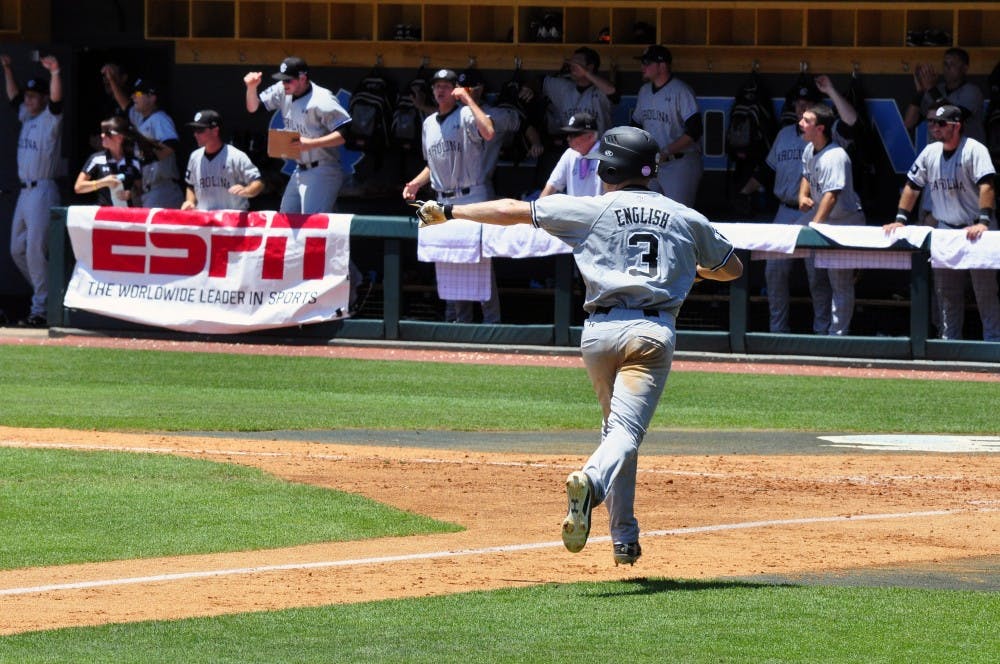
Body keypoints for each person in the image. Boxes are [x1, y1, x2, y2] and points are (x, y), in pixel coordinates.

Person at [411, 126, 743, 565]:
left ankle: (624, 536)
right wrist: (689, 272)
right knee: (625, 433)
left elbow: (515, 210)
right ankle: (591, 481)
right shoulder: (685, 216)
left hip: (598, 334)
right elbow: (732, 268)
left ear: (608, 167)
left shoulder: (592, 209)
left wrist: (450, 212)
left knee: (615, 432)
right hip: (651, 334)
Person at [742, 76, 859, 334]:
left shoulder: (832, 140)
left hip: (829, 215)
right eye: (797, 104)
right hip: (789, 209)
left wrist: (830, 89)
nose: (799, 110)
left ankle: (824, 333)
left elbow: (851, 122)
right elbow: (773, 170)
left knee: (819, 277)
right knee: (774, 269)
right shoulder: (788, 136)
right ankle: (778, 331)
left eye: (806, 106)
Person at [884, 104, 998, 341]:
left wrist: (984, 221)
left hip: (976, 228)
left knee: (985, 293)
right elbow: (912, 186)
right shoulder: (929, 152)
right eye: (933, 123)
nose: (935, 127)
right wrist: (900, 219)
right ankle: (949, 340)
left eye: (941, 123)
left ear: (957, 126)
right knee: (946, 293)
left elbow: (987, 185)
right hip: (946, 229)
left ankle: (993, 342)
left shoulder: (974, 149)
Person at [401, 68, 499, 324]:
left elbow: (489, 131)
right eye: (437, 86)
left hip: (472, 194)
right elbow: (433, 163)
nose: (441, 89)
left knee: (479, 264)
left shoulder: (466, 113)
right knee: (447, 262)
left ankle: (492, 323)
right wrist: (415, 182)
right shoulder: (428, 123)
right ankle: (458, 322)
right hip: (441, 199)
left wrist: (468, 100)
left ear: (456, 89)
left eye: (446, 85)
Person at [243, 56, 352, 214]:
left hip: (323, 169)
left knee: (312, 227)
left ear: (302, 78)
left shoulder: (322, 99)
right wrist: (251, 88)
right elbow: (254, 108)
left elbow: (345, 132)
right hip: (300, 169)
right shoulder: (282, 89)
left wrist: (312, 143)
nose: (284, 84)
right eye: (282, 80)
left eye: (288, 80)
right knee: (285, 221)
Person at [2, 53, 62, 328]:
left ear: (43, 99)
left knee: (36, 251)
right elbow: (13, 97)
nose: (28, 100)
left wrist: (55, 73)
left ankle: (41, 309)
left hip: (42, 188)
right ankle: (49, 295)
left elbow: (58, 101)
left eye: (34, 96)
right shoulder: (26, 115)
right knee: (17, 250)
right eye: (29, 95)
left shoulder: (50, 118)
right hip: (25, 193)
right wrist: (7, 68)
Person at [799, 103, 866, 336]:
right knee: (817, 281)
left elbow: (831, 196)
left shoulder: (836, 155)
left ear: (820, 128)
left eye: (806, 120)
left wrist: (814, 226)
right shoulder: (810, 149)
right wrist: (802, 195)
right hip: (823, 220)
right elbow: (807, 174)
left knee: (840, 283)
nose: (801, 123)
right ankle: (820, 332)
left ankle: (838, 336)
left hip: (845, 222)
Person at [630, 45, 703, 207]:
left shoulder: (681, 91)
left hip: (680, 163)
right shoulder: (644, 91)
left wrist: (666, 151)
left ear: (662, 66)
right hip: (653, 165)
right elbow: (635, 125)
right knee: (647, 212)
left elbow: (695, 130)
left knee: (678, 216)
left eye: (647, 63)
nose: (642, 67)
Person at [537, 47, 617, 178]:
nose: (572, 66)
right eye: (571, 63)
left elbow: (612, 91)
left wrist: (585, 73)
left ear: (590, 67)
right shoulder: (564, 88)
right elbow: (540, 81)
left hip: (599, 154)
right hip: (573, 153)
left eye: (577, 63)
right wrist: (527, 88)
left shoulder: (600, 90)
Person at [106, 76, 185, 208]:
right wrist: (112, 79)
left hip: (162, 189)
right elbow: (125, 105)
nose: (133, 97)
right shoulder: (140, 118)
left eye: (138, 94)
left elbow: (171, 145)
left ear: (152, 97)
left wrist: (145, 159)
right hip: (148, 190)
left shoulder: (159, 118)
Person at [181, 109, 263, 211]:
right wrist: (190, 201)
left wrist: (247, 190)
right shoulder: (194, 156)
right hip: (204, 220)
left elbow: (258, 183)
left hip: (232, 220)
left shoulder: (236, 156)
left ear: (215, 131)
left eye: (200, 130)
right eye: (194, 130)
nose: (195, 134)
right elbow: (190, 186)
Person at [904, 48, 986, 144]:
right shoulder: (936, 90)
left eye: (952, 64)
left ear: (964, 68)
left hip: (966, 155)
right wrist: (921, 92)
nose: (947, 68)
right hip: (939, 155)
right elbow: (909, 123)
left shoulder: (972, 92)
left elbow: (954, 116)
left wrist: (930, 89)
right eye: (945, 64)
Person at [74, 116, 143, 207]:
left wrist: (130, 194)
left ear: (120, 137)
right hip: (104, 215)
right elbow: (78, 187)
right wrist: (103, 182)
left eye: (107, 133)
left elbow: (141, 190)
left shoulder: (134, 162)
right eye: (102, 132)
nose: (102, 135)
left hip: (127, 216)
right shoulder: (96, 159)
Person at [538, 112, 602, 198]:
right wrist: (538, 208)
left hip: (599, 210)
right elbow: (552, 186)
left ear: (590, 136)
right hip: (574, 210)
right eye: (568, 134)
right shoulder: (569, 154)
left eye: (574, 135)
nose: (568, 138)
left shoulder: (606, 156)